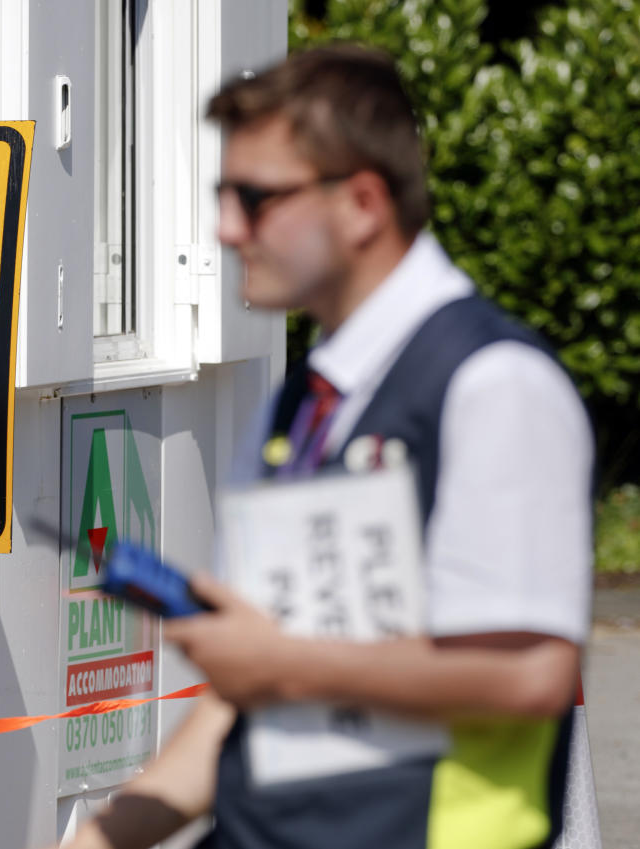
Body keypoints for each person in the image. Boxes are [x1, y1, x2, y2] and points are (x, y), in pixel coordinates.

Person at [56, 43, 593, 849]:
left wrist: (282, 662)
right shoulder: (300, 401)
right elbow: (248, 692)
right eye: (222, 194)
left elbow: (530, 673)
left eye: (257, 198)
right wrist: (103, 835)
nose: (227, 227)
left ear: (364, 203)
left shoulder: (494, 384)